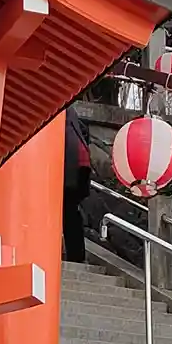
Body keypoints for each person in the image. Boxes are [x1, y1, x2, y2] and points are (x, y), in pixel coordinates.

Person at [62, 103, 92, 263]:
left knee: (67, 212)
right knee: (71, 212)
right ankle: (77, 256)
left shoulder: (59, 112)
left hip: (70, 166)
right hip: (81, 165)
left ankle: (75, 255)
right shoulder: (71, 115)